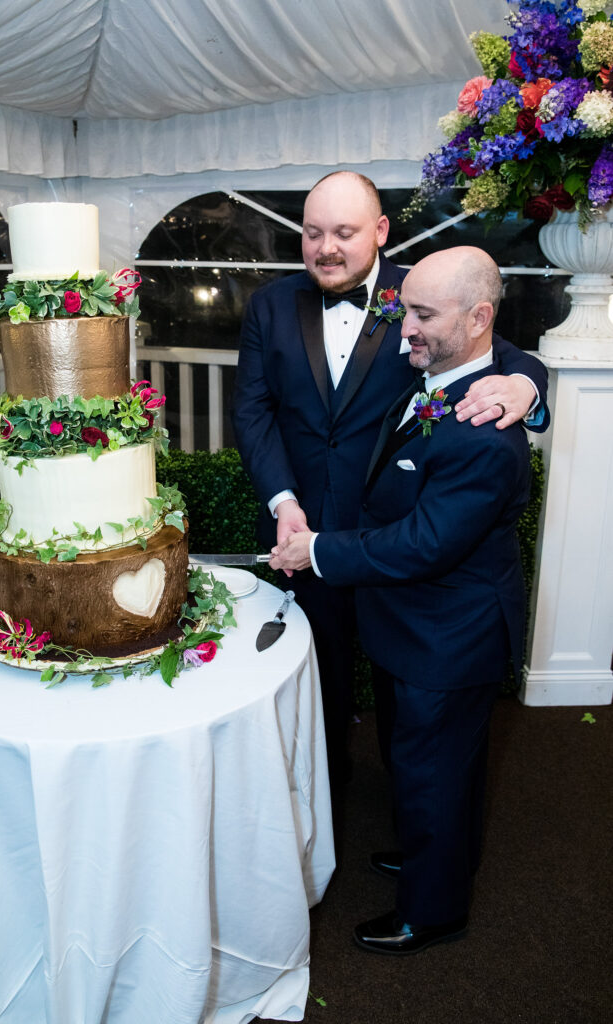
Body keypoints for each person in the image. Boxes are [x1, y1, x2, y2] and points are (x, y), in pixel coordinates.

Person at [232, 170, 548, 788]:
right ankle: (321, 801)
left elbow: (499, 349)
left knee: (408, 699)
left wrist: (525, 385)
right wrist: (282, 501)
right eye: (313, 232)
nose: (326, 248)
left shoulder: (422, 294)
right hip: (305, 530)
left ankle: (417, 818)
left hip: (399, 536)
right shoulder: (269, 306)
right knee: (314, 681)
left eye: (344, 233)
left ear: (379, 231)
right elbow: (253, 411)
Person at [270, 246, 531, 954]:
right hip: (417, 624)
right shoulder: (440, 376)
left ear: (479, 319)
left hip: (448, 635)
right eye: (403, 308)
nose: (403, 327)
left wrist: (318, 550)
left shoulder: (486, 433)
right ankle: (437, 857)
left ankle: (434, 907)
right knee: (440, 767)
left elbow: (422, 544)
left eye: (421, 314)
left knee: (433, 771)